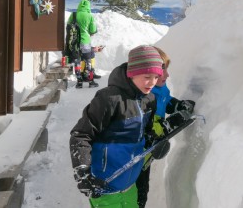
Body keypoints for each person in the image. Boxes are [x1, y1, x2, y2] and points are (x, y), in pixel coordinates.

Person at [69, 45, 169, 207]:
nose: (152, 82)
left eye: (156, 77)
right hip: (104, 186)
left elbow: (145, 132)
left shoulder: (149, 99)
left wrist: (156, 141)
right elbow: (81, 135)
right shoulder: (109, 99)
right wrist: (83, 174)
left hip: (130, 184)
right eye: (147, 76)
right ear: (132, 73)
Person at [135, 46, 196, 208]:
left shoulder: (161, 89)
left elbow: (166, 101)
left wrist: (178, 105)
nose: (167, 75)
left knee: (143, 190)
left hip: (146, 156)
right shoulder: (145, 95)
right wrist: (172, 123)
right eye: (163, 70)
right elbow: (151, 129)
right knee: (137, 192)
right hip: (136, 155)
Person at [67, 0, 100, 88]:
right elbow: (92, 30)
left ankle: (79, 82)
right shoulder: (90, 16)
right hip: (85, 41)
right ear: (88, 6)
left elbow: (68, 26)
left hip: (74, 42)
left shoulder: (73, 14)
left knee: (77, 61)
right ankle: (90, 81)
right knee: (88, 61)